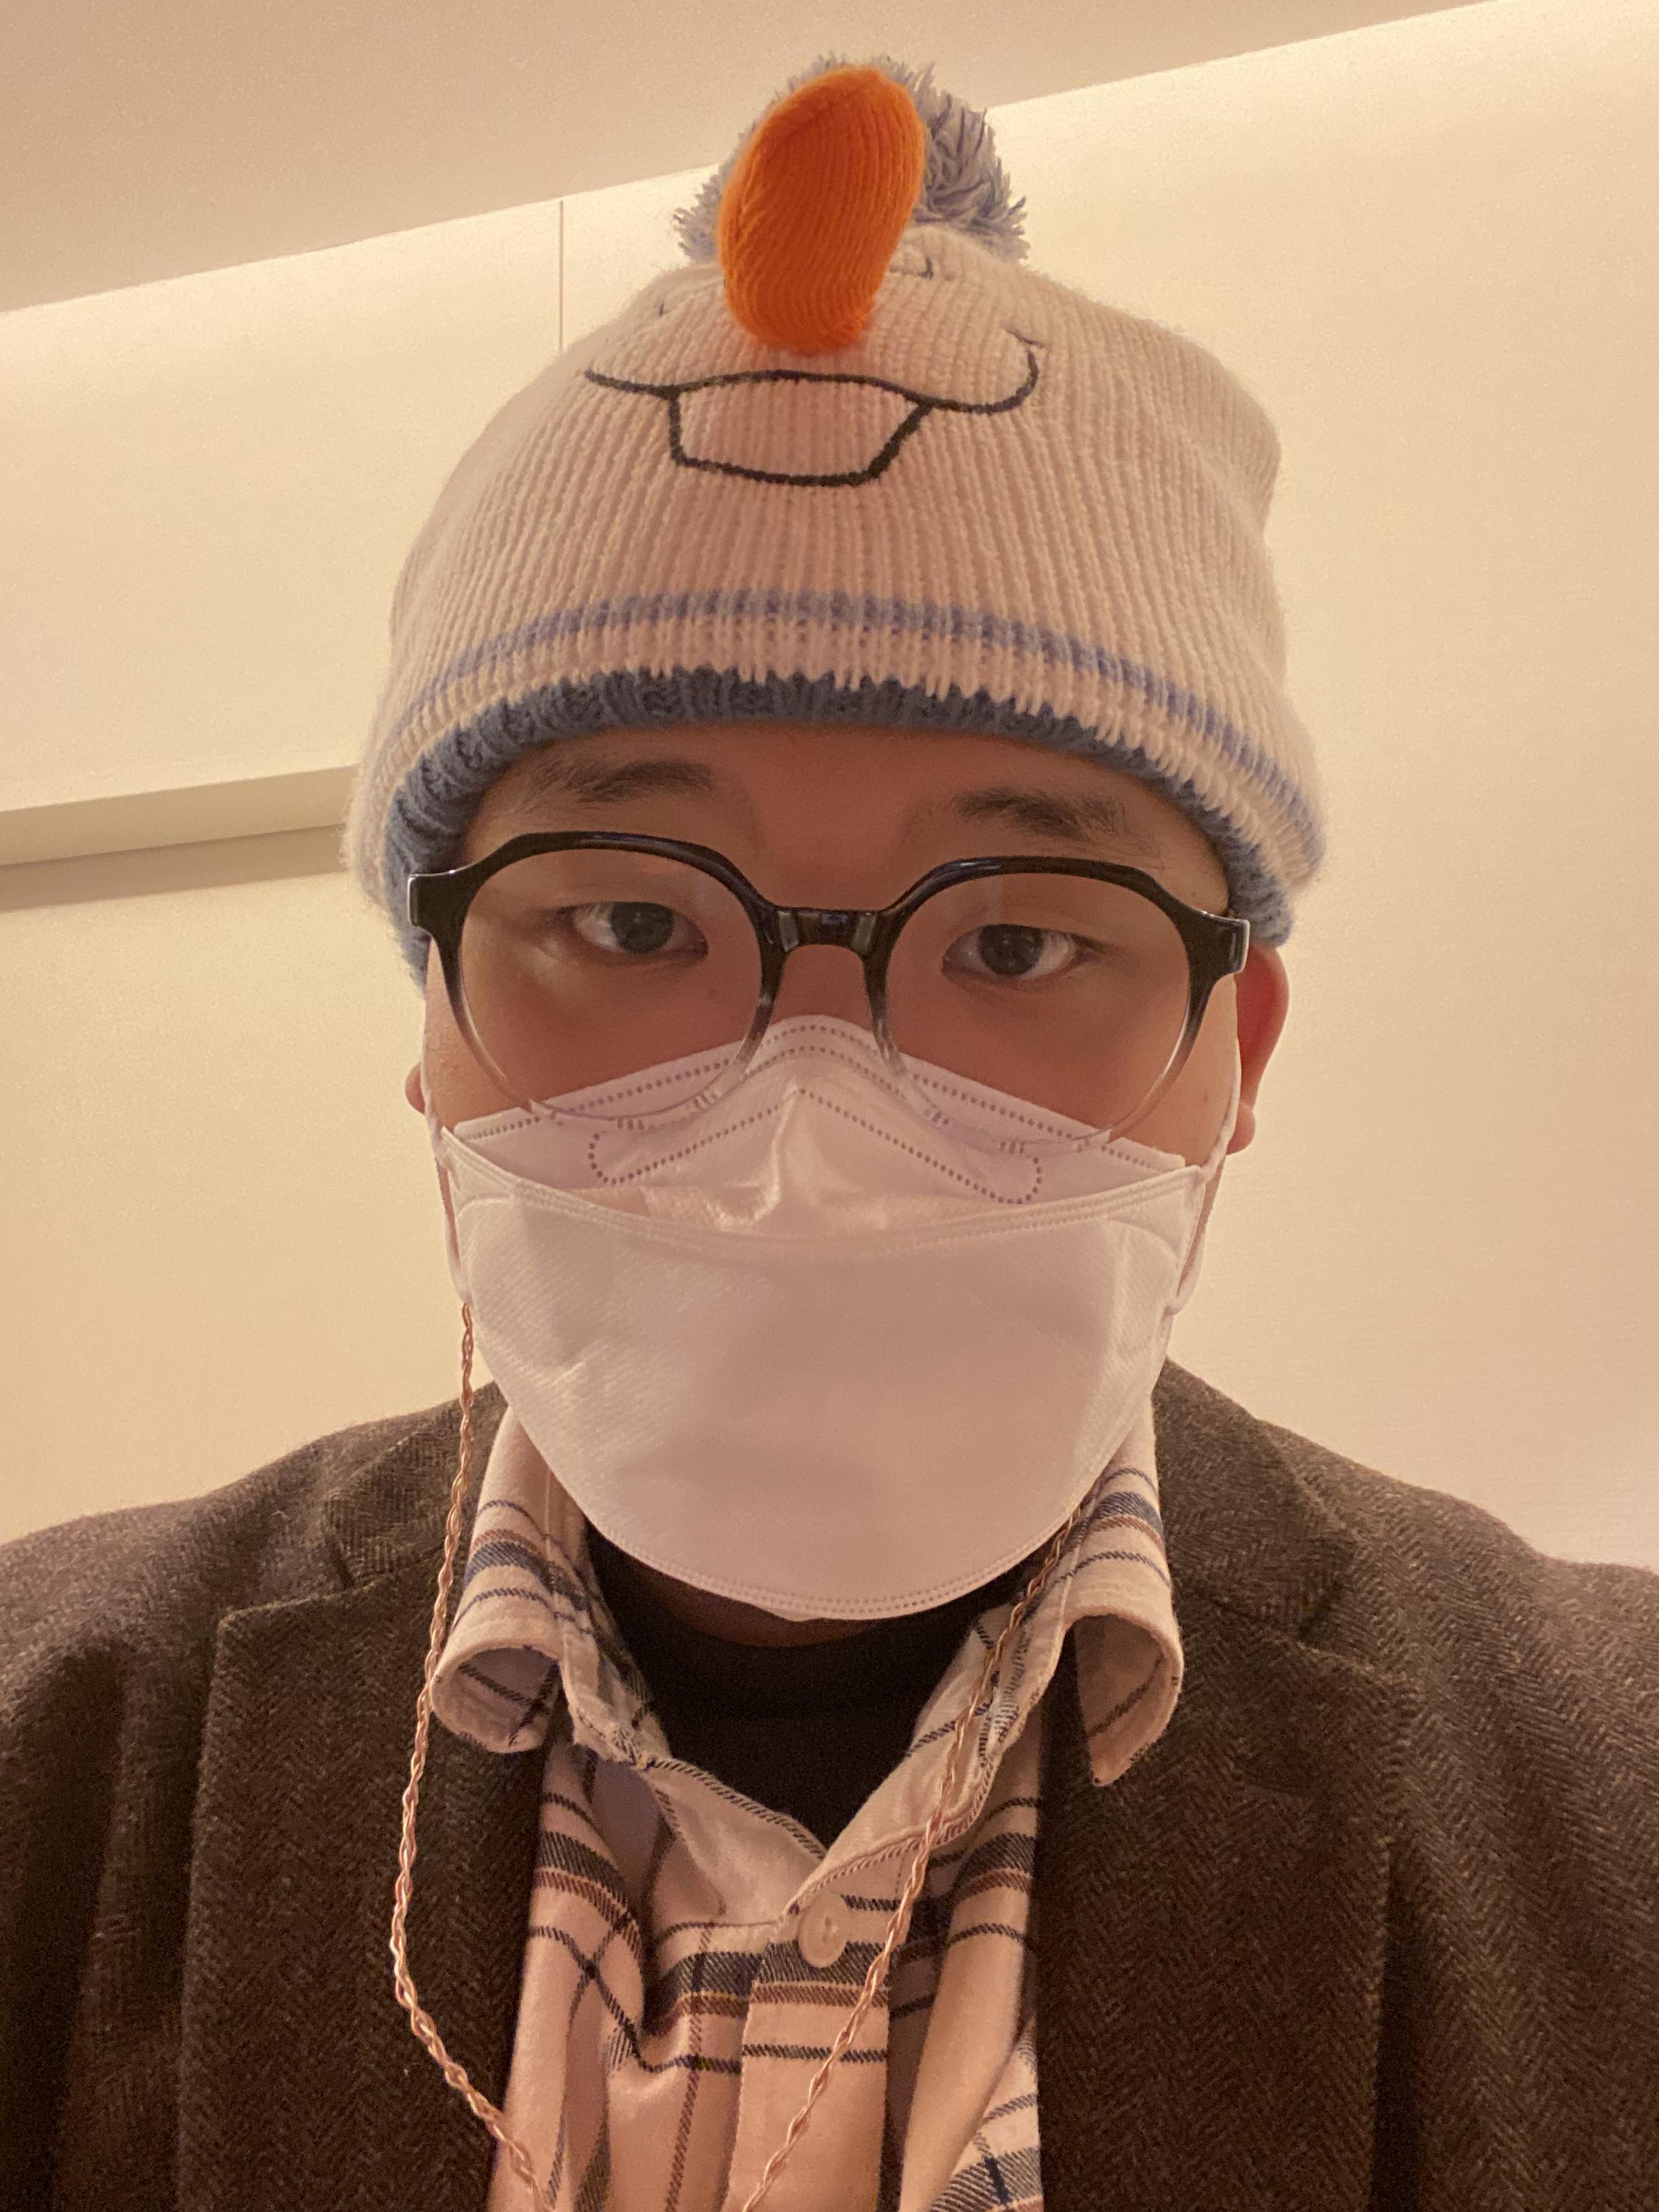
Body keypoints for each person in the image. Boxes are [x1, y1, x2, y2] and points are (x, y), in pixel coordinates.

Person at [2, 54, 1655, 2212]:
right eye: (628, 921)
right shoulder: (49, 1733)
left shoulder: (1610, 1791)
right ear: (431, 1009)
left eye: (1018, 942)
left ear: (1237, 1047)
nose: (808, 1120)